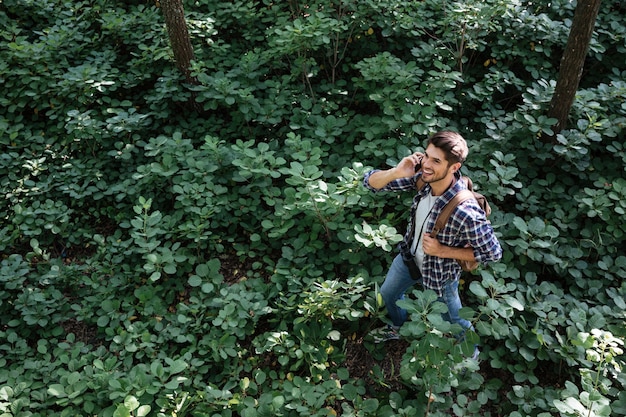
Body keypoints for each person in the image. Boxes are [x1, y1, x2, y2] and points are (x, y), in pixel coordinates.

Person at [363, 130, 502, 348]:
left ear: (454, 167)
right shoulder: (422, 180)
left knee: (454, 320)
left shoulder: (466, 211)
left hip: (440, 275)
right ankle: (400, 327)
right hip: (409, 258)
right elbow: (370, 183)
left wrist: (443, 251)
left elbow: (493, 252)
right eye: (426, 156)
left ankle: (470, 355)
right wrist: (397, 172)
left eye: (436, 161)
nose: (426, 164)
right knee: (388, 294)